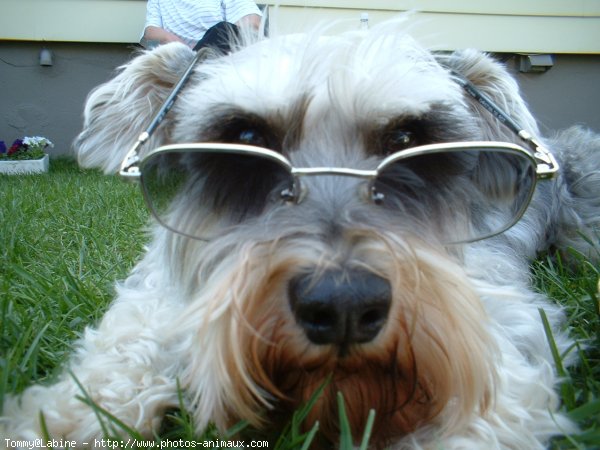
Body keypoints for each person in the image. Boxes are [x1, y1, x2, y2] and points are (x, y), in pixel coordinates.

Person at [141, 0, 262, 49]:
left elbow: (253, 22)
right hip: (180, 61)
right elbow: (151, 31)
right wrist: (184, 51)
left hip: (221, 58)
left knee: (224, 30)